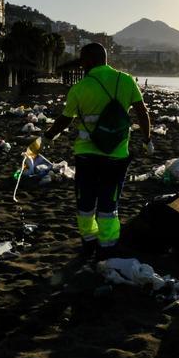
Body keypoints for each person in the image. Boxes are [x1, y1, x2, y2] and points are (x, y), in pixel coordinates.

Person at [43, 43, 153, 260]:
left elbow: (65, 119)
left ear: (89, 61)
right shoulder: (126, 80)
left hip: (86, 156)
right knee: (108, 203)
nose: (81, 64)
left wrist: (48, 136)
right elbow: (142, 112)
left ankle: (89, 241)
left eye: (83, 60)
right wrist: (147, 139)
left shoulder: (80, 88)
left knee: (85, 202)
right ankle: (108, 245)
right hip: (116, 156)